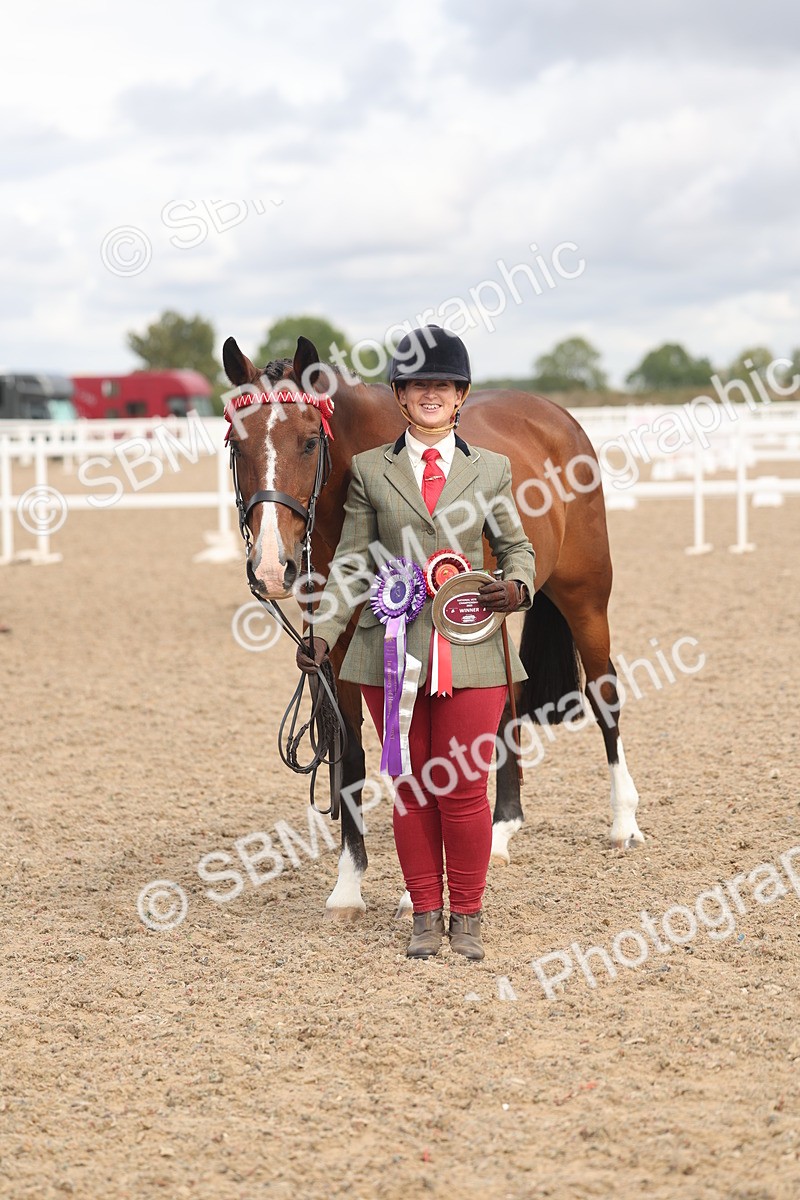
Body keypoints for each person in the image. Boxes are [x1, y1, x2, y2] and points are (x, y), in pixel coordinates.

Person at [296, 326, 535, 961]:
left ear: (461, 396)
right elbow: (351, 564)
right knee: (410, 787)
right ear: (400, 396)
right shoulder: (371, 470)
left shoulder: (492, 469)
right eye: (418, 385)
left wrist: (517, 586)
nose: (432, 394)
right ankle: (425, 912)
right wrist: (322, 634)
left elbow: (516, 545)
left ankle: (468, 913)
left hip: (472, 647)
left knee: (464, 786)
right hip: (390, 650)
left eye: (444, 385)